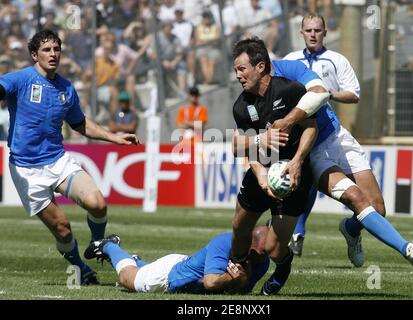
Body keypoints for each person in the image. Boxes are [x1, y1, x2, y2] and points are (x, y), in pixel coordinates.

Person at [271, 14, 413, 269]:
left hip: (337, 136)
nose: (313, 34)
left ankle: (350, 229)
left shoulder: (336, 60)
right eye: (308, 30)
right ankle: (298, 233)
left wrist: (324, 94)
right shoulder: (290, 61)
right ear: (301, 33)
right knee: (315, 183)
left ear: (325, 32)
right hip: (314, 142)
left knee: (377, 207)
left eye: (318, 30)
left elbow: (353, 94)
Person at [0, 29, 140, 285]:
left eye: (56, 49)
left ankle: (97, 243)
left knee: (97, 203)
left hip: (58, 160)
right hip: (27, 169)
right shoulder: (20, 79)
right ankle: (79, 265)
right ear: (34, 54)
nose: (53, 54)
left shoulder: (66, 87)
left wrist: (114, 137)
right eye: (46, 50)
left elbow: (80, 123)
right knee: (63, 228)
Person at [230, 37, 321, 296]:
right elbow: (237, 147)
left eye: (241, 68)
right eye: (236, 69)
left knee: (274, 248)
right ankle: (236, 272)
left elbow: (310, 128)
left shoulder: (290, 91)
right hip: (261, 170)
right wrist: (259, 171)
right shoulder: (241, 106)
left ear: (260, 67)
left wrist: (297, 162)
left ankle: (283, 267)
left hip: (292, 174)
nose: (238, 75)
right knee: (239, 226)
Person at [84, 226, 270, 294]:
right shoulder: (224, 242)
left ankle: (133, 260)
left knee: (139, 270)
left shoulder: (263, 261)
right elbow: (211, 283)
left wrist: (241, 282)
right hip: (169, 277)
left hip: (183, 266)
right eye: (263, 251)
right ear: (251, 245)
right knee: (127, 279)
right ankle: (109, 246)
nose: (266, 255)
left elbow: (240, 292)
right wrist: (235, 278)